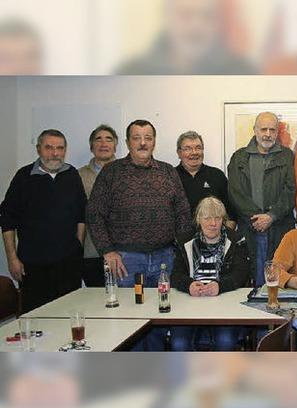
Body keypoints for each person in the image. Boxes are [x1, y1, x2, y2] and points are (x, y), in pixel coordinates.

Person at [86, 119, 192, 350]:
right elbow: (94, 215)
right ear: (127, 142)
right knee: (129, 320)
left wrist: (182, 251)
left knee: (159, 317)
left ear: (154, 142)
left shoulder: (167, 172)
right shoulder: (111, 172)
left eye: (148, 138)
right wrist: (107, 251)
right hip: (126, 260)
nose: (143, 143)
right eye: (137, 138)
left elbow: (183, 212)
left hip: (165, 257)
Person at [0, 129, 86, 312]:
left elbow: (81, 215)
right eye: (49, 147)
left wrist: (78, 246)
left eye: (60, 148)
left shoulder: (71, 175)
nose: (55, 153)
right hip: (33, 266)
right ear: (39, 149)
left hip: (68, 265)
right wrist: (12, 258)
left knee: (69, 315)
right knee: (37, 319)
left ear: (65, 150)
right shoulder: (23, 177)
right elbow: (7, 219)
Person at [171, 196, 250, 351]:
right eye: (207, 218)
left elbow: (241, 273)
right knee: (179, 344)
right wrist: (189, 285)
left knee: (225, 341)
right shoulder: (184, 240)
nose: (213, 224)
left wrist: (220, 286)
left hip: (224, 304)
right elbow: (175, 275)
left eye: (218, 218)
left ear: (223, 220)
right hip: (189, 306)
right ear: (198, 219)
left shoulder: (236, 239)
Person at [227, 112, 296, 287]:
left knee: (280, 278)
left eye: (272, 130)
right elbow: (236, 193)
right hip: (250, 228)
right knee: (252, 277)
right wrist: (259, 218)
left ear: (277, 132)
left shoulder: (288, 156)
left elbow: (291, 191)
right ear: (254, 130)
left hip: (280, 227)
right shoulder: (239, 157)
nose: (267, 134)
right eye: (263, 129)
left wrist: (271, 216)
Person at [116, 0, 254, 74]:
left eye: (207, 15)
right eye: (186, 14)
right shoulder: (132, 71)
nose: (197, 26)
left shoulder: (242, 70)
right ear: (166, 16)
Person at [78, 124, 118, 287]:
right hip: (91, 252)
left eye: (109, 139)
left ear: (115, 145)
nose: (104, 144)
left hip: (123, 251)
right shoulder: (78, 176)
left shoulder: (126, 172)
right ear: (91, 146)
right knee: (96, 302)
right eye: (98, 139)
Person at [175, 130, 236, 227]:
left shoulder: (217, 175)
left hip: (213, 236)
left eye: (198, 148)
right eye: (188, 149)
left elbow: (230, 209)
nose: (194, 152)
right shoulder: (171, 177)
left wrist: (230, 224)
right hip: (180, 237)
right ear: (179, 153)